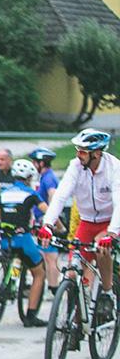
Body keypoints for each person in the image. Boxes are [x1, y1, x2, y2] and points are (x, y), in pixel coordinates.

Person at [38, 128, 120, 326]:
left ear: (97, 153)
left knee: (102, 249)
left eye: (83, 151)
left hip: (110, 221)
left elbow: (119, 201)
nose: (78, 154)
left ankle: (108, 294)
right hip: (86, 222)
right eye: (77, 150)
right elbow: (60, 196)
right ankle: (77, 320)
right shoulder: (75, 166)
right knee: (73, 271)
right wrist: (47, 225)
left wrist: (112, 232)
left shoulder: (114, 167)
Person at [0, 158, 49, 327]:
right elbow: (48, 212)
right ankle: (31, 315)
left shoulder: (4, 193)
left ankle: (9, 280)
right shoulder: (31, 193)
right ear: (29, 177)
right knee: (39, 273)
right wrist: (59, 227)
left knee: (14, 258)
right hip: (23, 240)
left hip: (5, 240)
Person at [30, 146, 62, 298]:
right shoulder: (45, 176)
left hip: (46, 221)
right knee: (45, 254)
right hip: (41, 219)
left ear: (41, 163)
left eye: (35, 162)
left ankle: (53, 288)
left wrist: (50, 218)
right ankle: (50, 286)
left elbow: (53, 195)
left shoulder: (49, 178)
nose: (33, 164)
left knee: (50, 256)